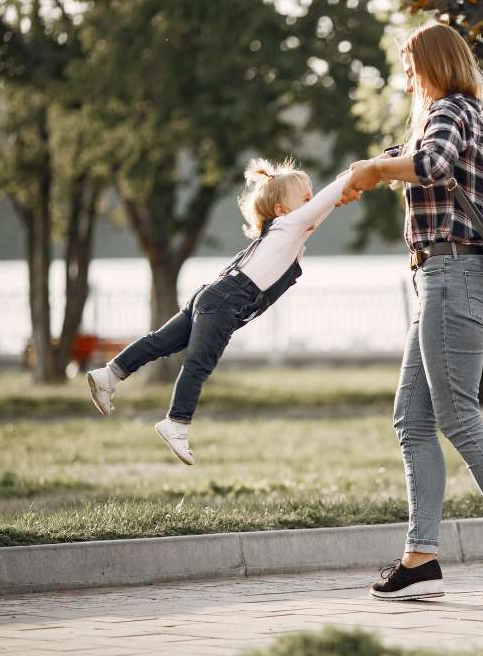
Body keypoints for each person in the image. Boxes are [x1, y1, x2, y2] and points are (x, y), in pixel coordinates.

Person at [339, 23, 483, 604]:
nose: (406, 77)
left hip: (454, 277)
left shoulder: (448, 110)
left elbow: (430, 164)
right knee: (412, 421)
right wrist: (369, 168)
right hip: (444, 278)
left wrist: (376, 170)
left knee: (457, 418)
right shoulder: (465, 112)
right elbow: (421, 159)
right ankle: (420, 558)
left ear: (433, 63)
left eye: (410, 65)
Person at [87, 159, 350, 465]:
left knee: (160, 342)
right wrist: (354, 178)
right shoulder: (288, 227)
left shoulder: (282, 232)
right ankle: (177, 422)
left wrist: (351, 183)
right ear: (282, 210)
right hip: (226, 302)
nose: (312, 200)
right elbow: (323, 204)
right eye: (305, 197)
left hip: (212, 293)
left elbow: (324, 206)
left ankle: (110, 374)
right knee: (198, 364)